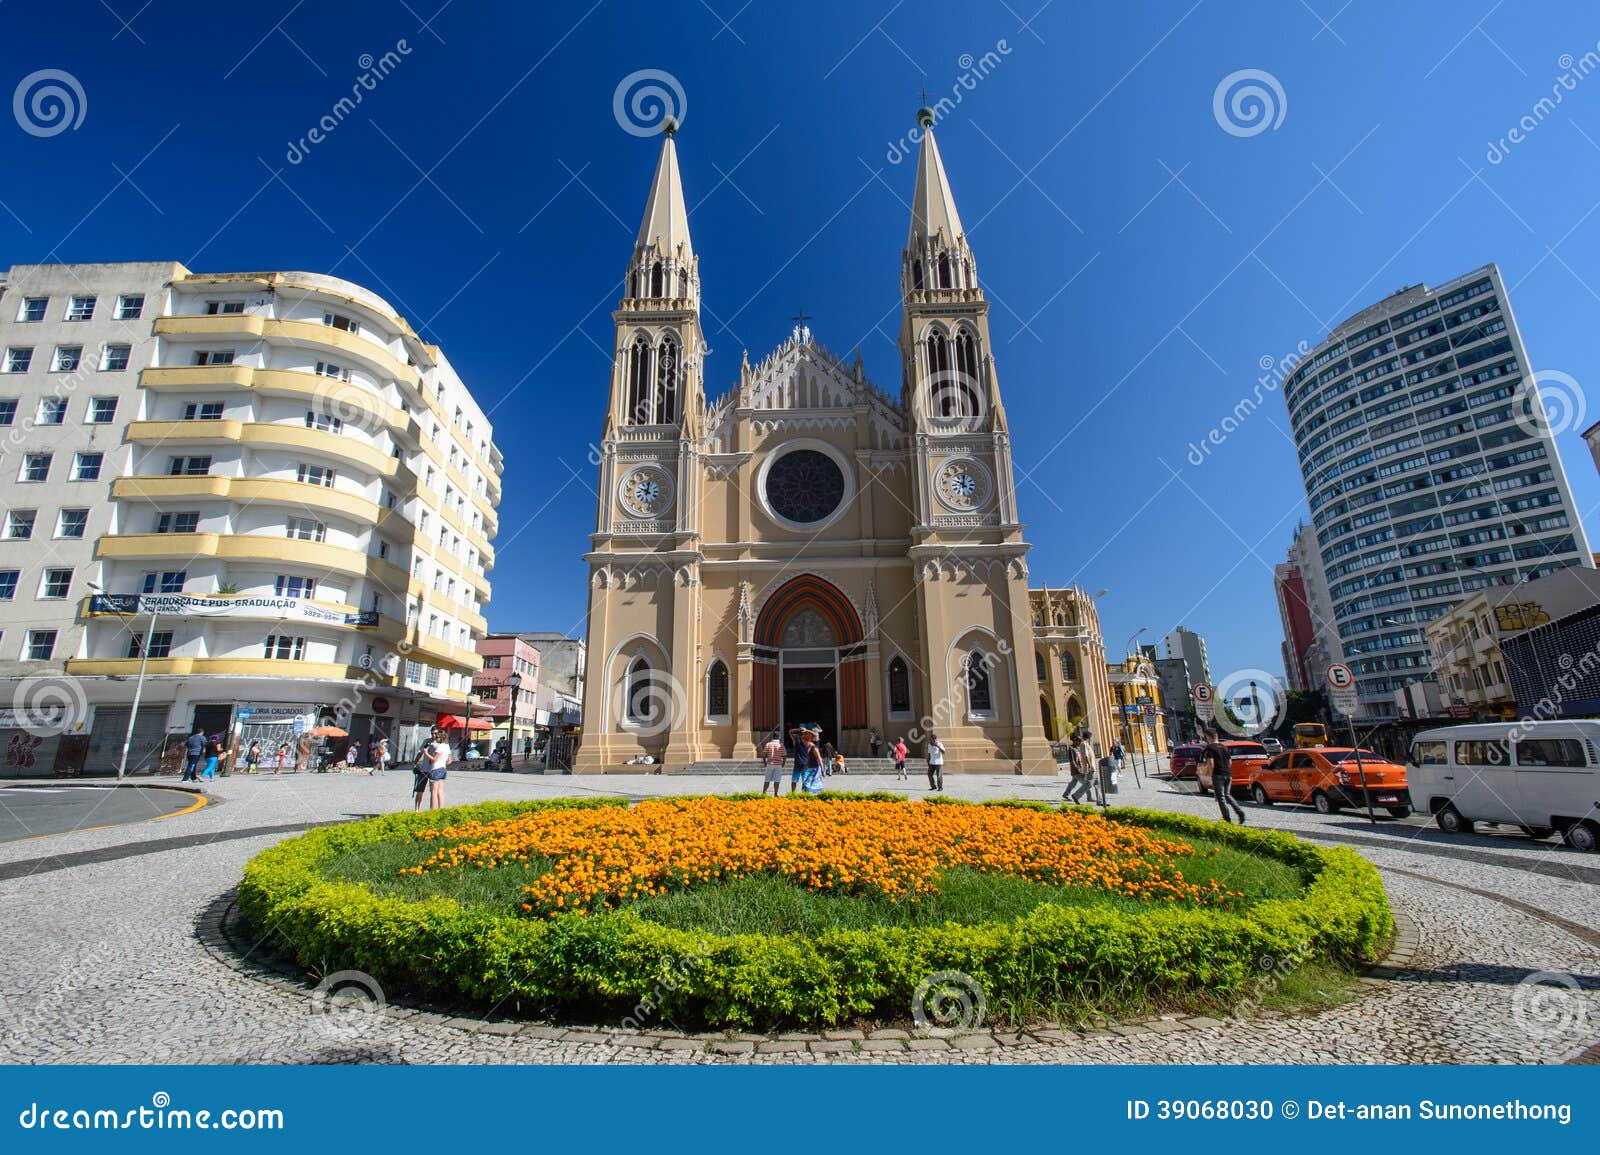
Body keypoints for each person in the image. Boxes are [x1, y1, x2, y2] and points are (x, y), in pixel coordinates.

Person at [1198, 728, 1246, 824]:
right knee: (1227, 795)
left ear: (1208, 737)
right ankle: (1240, 812)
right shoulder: (1224, 747)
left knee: (1221, 797)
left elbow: (1211, 763)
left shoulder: (1209, 748)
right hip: (1228, 774)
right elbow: (1230, 761)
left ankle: (1226, 819)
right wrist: (1226, 770)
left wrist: (1211, 775)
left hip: (1217, 774)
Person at [422, 729, 450, 810]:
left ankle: (432, 811)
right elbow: (449, 760)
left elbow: (434, 759)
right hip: (443, 769)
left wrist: (426, 752)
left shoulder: (439, 746)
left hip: (435, 769)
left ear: (440, 738)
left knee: (433, 792)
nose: (435, 738)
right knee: (440, 791)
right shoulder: (446, 746)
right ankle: (441, 809)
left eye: (437, 736)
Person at [1065, 733, 1094, 803]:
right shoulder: (1071, 749)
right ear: (1075, 741)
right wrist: (1078, 768)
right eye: (1078, 742)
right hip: (1076, 770)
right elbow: (1072, 761)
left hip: (1080, 769)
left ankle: (1065, 794)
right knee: (1086, 783)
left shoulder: (1077, 748)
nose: (1079, 743)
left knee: (1073, 783)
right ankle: (1089, 797)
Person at [759, 730, 786, 797]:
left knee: (767, 779)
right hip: (778, 764)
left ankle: (764, 793)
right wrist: (783, 764)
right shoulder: (781, 745)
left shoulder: (768, 744)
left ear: (772, 737)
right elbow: (784, 756)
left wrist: (765, 763)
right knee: (777, 780)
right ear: (779, 737)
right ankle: (775, 793)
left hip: (770, 764)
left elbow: (764, 754)